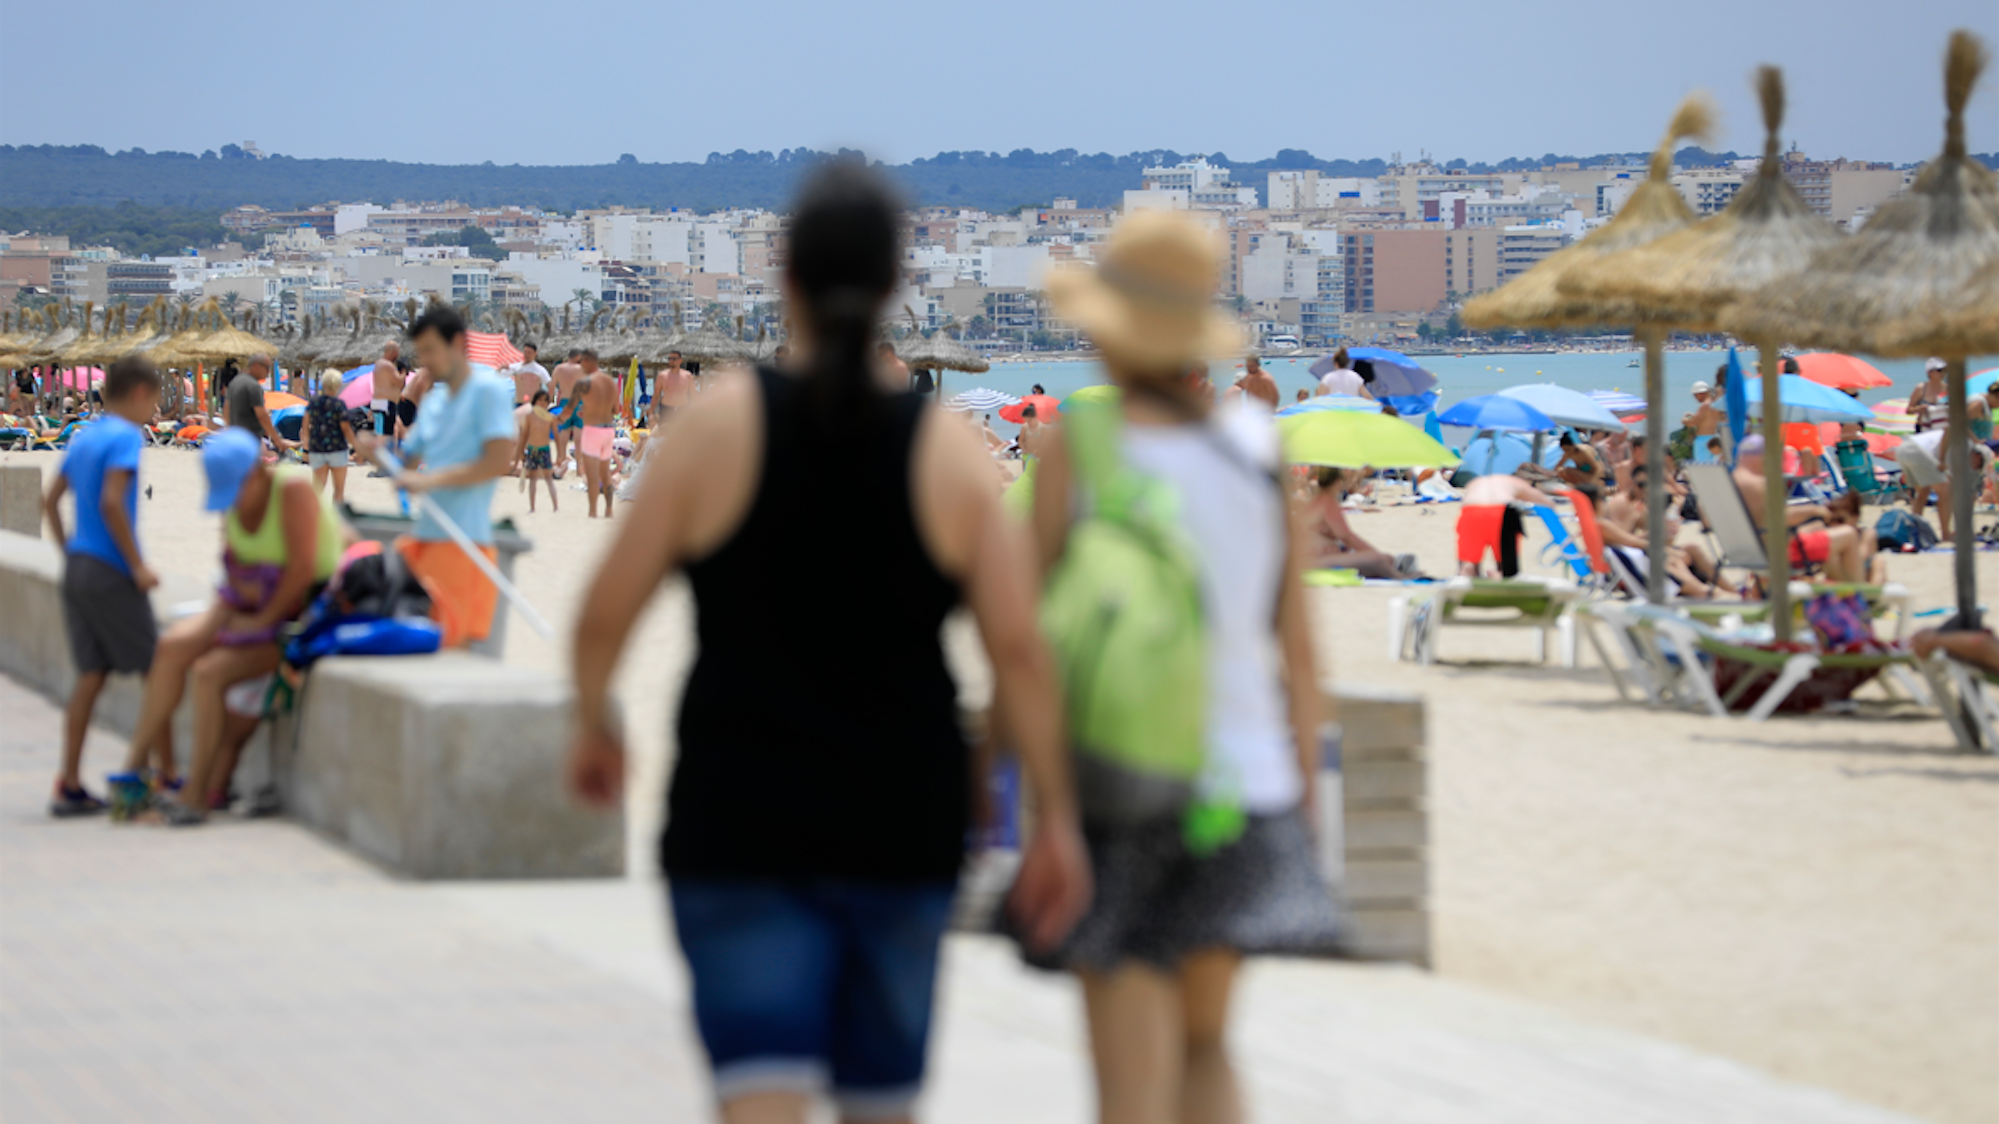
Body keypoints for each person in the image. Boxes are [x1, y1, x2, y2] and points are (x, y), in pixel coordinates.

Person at [564, 165, 1089, 1124]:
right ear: (893, 285)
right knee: (880, 1103)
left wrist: (595, 722)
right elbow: (1020, 650)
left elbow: (603, 615)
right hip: (900, 812)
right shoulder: (946, 453)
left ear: (784, 277)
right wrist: (1040, 806)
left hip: (738, 809)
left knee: (757, 1092)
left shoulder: (715, 429)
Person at [1028, 207, 1337, 1124]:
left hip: (1118, 782)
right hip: (1239, 785)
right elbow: (1299, 649)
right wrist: (1304, 790)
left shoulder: (1077, 451)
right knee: (1207, 1047)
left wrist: (1034, 799)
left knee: (1128, 1074)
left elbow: (1031, 641)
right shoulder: (1254, 452)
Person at [356, 306, 517, 650]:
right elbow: (407, 468)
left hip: (464, 541)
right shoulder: (433, 403)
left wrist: (431, 481)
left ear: (457, 343)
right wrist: (377, 454)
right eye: (421, 352)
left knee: (451, 654)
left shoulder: (487, 390)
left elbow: (497, 461)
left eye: (431, 349)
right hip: (423, 539)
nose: (425, 360)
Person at [42, 357, 162, 817]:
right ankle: (146, 782)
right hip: (112, 570)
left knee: (90, 678)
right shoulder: (126, 437)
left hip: (78, 566)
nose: (152, 413)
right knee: (159, 675)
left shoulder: (84, 435)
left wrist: (70, 551)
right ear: (138, 394)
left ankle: (68, 782)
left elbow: (51, 501)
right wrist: (137, 566)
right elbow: (114, 502)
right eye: (153, 402)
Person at [1731, 434, 1865, 582]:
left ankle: (1840, 586)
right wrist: (1814, 510)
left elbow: (1707, 522)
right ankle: (1857, 593)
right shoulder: (1758, 484)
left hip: (1746, 551)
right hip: (1779, 552)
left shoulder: (1729, 481)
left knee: (1818, 526)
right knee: (1849, 534)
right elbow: (1779, 517)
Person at [1306, 467, 1410, 577]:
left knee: (1378, 559)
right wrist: (1375, 553)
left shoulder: (1314, 502)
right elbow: (1347, 537)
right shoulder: (1328, 501)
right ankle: (1399, 577)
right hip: (1317, 561)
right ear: (1338, 482)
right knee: (1381, 559)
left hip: (1309, 559)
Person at [1894, 424, 1990, 543]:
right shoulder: (1965, 446)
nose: (1976, 469)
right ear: (1978, 456)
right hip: (1917, 451)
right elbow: (1950, 426)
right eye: (1979, 465)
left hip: (1904, 449)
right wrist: (1942, 457)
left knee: (1923, 492)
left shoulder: (1963, 455)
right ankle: (1946, 534)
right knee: (1945, 491)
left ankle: (1915, 530)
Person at [1457, 473, 1556, 577]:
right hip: (1502, 511)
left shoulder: (1476, 482)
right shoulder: (1517, 482)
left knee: (1469, 556)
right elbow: (1546, 502)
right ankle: (1501, 573)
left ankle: (1468, 567)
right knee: (1506, 561)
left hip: (1471, 511)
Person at [576, 355, 620, 519]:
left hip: (592, 430)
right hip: (608, 430)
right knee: (605, 473)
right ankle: (609, 510)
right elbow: (616, 410)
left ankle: (593, 510)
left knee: (593, 474)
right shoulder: (610, 382)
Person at [306, 371, 359, 503]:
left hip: (317, 447)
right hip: (337, 448)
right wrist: (357, 447)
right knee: (339, 490)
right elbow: (345, 428)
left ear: (323, 384)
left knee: (317, 489)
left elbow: (305, 424)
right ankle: (337, 519)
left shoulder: (313, 403)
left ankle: (314, 520)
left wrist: (306, 444)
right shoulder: (339, 404)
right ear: (338, 385)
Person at [228, 354, 293, 452]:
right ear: (256, 366)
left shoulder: (235, 382)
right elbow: (262, 415)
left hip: (235, 436)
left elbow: (226, 408)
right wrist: (276, 439)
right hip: (250, 438)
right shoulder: (253, 386)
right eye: (267, 367)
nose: (268, 372)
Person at [516, 389, 560, 513]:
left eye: (545, 401)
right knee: (533, 480)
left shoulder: (551, 417)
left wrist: (560, 454)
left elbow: (557, 436)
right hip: (532, 450)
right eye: (540, 400)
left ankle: (556, 507)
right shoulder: (529, 416)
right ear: (535, 402)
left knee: (549, 479)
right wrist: (520, 453)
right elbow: (524, 435)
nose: (542, 403)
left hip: (545, 449)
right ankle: (532, 507)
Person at [550, 348, 586, 475]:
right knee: (578, 436)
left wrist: (549, 400)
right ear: (577, 357)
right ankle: (579, 469)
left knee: (564, 432)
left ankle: (560, 460)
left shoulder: (558, 369)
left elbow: (552, 387)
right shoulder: (582, 369)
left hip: (565, 401)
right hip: (579, 402)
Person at [368, 341, 404, 457]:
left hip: (380, 403)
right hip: (385, 404)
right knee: (386, 435)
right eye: (397, 353)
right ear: (393, 352)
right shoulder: (387, 365)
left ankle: (382, 462)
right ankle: (384, 463)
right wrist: (404, 371)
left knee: (380, 434)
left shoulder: (379, 364)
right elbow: (399, 382)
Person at [1553, 431, 1605, 499]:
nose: (1567, 452)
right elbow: (1557, 467)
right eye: (1564, 450)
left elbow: (1598, 469)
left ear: (1573, 446)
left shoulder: (1584, 452)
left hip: (1596, 477)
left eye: (1568, 449)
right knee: (1562, 471)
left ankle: (1589, 488)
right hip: (1583, 477)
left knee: (1570, 470)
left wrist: (1592, 486)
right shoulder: (1568, 453)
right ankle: (1577, 487)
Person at [1908, 357, 1950, 433]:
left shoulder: (1948, 388)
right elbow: (1909, 410)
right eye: (1939, 370)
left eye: (1945, 370)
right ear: (1929, 372)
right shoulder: (1921, 388)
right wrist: (1918, 409)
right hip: (1924, 429)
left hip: (1943, 430)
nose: (1943, 373)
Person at [655, 349, 695, 421]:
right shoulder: (662, 376)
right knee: (665, 431)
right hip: (666, 409)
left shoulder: (688, 376)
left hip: (682, 409)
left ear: (680, 360)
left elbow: (693, 395)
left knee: (683, 431)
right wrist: (652, 411)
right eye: (670, 359)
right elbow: (656, 394)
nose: (671, 361)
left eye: (674, 359)